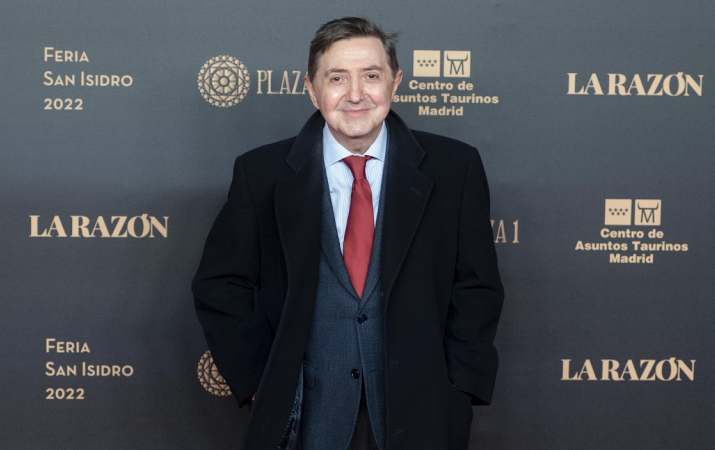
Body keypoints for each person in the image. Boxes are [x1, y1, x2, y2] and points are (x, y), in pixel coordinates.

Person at [193, 17, 503, 450]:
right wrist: (263, 383)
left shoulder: (455, 168)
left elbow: (477, 287)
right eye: (337, 78)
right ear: (311, 88)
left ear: (395, 82)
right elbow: (219, 285)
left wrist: (457, 389)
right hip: (304, 420)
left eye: (371, 76)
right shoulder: (261, 173)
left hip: (420, 414)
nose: (355, 95)